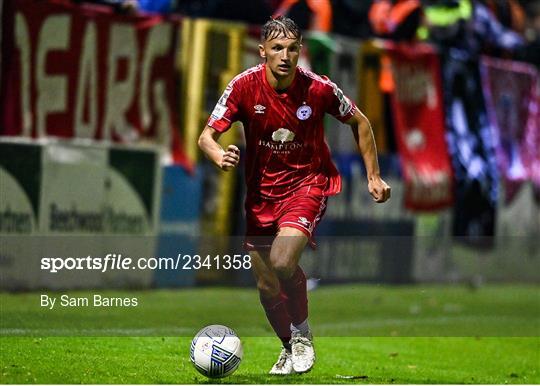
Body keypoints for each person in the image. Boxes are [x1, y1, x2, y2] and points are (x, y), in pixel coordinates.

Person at [198, 16, 391, 375]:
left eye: (291, 48)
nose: (285, 56)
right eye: (276, 48)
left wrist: (373, 175)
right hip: (260, 196)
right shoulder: (243, 87)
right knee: (266, 283)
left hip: (307, 184)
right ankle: (289, 347)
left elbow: (360, 122)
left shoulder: (317, 88)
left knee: (283, 261)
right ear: (262, 52)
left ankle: (302, 336)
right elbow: (206, 136)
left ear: (300, 50)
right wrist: (218, 154)